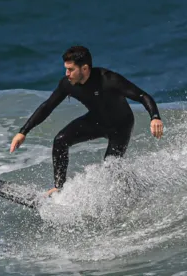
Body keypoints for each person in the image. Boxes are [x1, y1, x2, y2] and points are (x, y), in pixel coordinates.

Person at [9, 46, 164, 196]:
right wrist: (23, 132)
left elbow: (142, 96)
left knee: (111, 167)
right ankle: (59, 188)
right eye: (66, 69)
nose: (67, 74)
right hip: (97, 120)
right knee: (60, 140)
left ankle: (129, 192)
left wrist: (155, 117)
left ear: (84, 68)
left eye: (71, 69)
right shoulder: (68, 84)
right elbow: (47, 106)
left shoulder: (109, 80)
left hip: (120, 126)